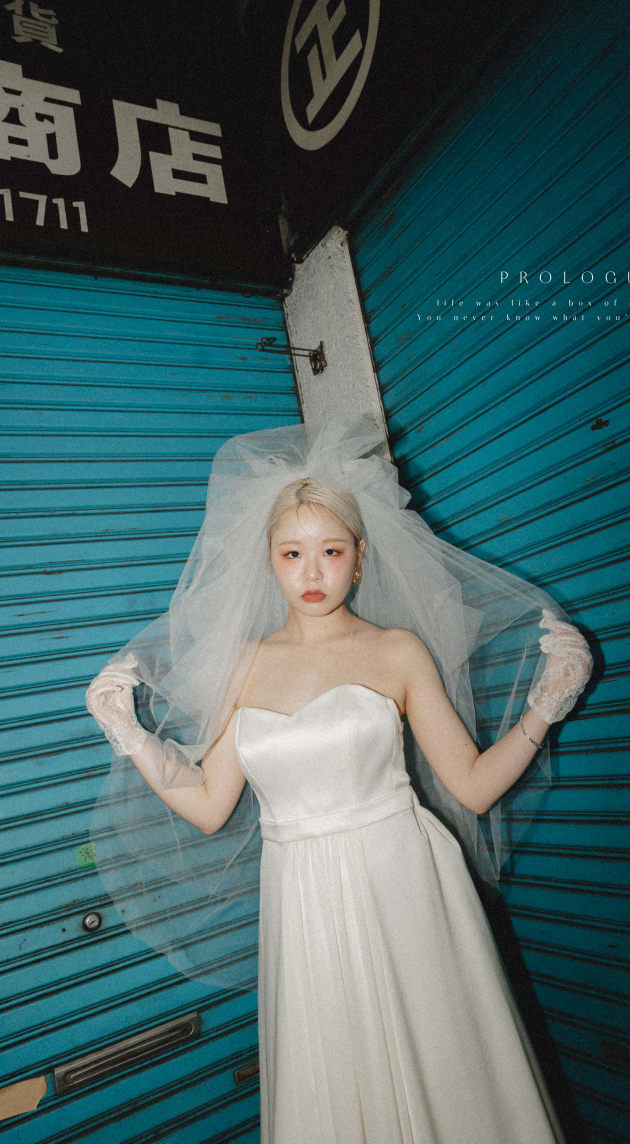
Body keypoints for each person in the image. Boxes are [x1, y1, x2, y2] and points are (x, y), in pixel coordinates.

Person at [86, 417, 592, 1144]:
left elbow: (474, 787)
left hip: (404, 880)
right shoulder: (244, 665)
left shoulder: (397, 650)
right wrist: (132, 736)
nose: (312, 572)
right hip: (299, 894)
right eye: (292, 553)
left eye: (331, 550)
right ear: (269, 562)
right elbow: (208, 804)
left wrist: (546, 704)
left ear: (359, 559)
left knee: (443, 1065)